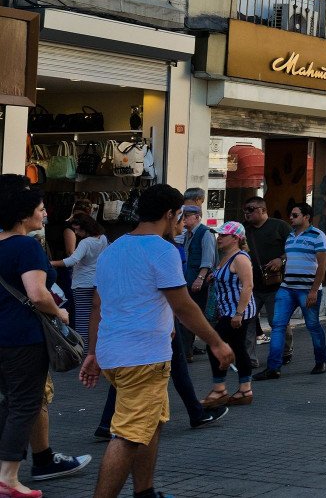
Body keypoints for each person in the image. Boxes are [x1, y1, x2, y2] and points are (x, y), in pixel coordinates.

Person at [81, 184, 234, 498]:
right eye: (179, 217)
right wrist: (216, 342)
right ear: (170, 214)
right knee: (127, 436)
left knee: (151, 423)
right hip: (143, 358)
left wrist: (93, 352)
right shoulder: (161, 250)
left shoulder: (113, 249)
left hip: (116, 353)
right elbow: (183, 305)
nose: (180, 224)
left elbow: (98, 305)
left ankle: (145, 491)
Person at [0, 180, 92, 495]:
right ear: (24, 215)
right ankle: (8, 478)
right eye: (40, 210)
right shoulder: (26, 247)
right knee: (26, 403)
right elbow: (37, 295)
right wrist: (59, 313)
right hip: (24, 337)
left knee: (7, 402)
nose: (45, 214)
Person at [254, 202, 326, 380]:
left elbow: (322, 266)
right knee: (278, 326)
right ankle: (273, 368)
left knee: (313, 325)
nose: (291, 218)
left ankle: (321, 360)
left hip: (307, 290)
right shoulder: (289, 236)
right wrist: (281, 259)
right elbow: (291, 256)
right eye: (291, 215)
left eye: (295, 215)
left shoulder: (318, 236)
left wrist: (313, 291)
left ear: (306, 217)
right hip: (287, 288)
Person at [201, 221, 257, 407]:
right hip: (228, 310)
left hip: (237, 312)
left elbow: (248, 285)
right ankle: (245, 390)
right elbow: (227, 278)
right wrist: (213, 278)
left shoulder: (240, 258)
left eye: (223, 235)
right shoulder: (226, 256)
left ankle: (220, 390)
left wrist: (239, 314)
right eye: (219, 234)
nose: (219, 238)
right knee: (238, 348)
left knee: (214, 346)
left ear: (235, 238)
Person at [241, 196, 290, 363]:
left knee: (276, 321)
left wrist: (281, 260)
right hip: (252, 285)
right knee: (248, 321)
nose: (247, 213)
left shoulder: (279, 226)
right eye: (245, 210)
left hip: (276, 284)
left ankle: (284, 352)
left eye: (251, 209)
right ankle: (250, 359)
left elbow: (293, 249)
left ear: (263, 210)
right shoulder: (245, 230)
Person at [52, 213, 106, 345]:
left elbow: (72, 260)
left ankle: (84, 351)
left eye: (77, 229)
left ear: (85, 227)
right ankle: (94, 349)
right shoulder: (103, 238)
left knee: (82, 319)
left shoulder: (85, 242)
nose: (76, 232)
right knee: (94, 318)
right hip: (96, 283)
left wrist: (51, 263)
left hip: (81, 284)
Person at [178, 198, 215, 358]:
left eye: (187, 216)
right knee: (186, 316)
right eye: (183, 216)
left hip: (197, 282)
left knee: (190, 315)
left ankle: (187, 351)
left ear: (197, 217)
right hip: (187, 280)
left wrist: (200, 278)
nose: (184, 219)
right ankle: (188, 349)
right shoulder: (188, 234)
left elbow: (208, 259)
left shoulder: (205, 233)